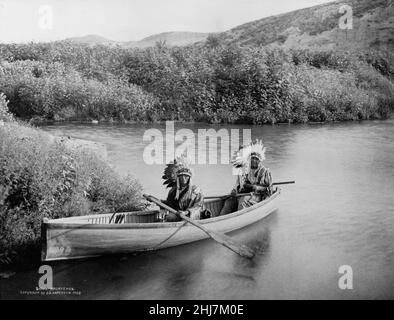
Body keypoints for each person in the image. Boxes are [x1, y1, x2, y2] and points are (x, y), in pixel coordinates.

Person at [218, 140, 273, 216]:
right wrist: (234, 191)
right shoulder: (244, 170)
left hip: (258, 196)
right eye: (252, 158)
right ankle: (221, 218)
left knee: (243, 201)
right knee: (229, 201)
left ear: (260, 160)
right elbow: (238, 184)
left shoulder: (265, 171)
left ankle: (239, 218)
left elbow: (269, 188)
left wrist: (257, 187)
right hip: (243, 194)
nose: (254, 160)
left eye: (256, 159)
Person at [161, 156, 205, 222]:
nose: (184, 179)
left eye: (186, 176)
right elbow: (170, 205)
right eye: (181, 176)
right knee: (169, 217)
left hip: (192, 215)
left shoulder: (196, 191)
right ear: (178, 178)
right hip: (179, 214)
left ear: (189, 178)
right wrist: (161, 203)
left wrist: (186, 212)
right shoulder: (173, 191)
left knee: (184, 218)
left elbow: (198, 207)